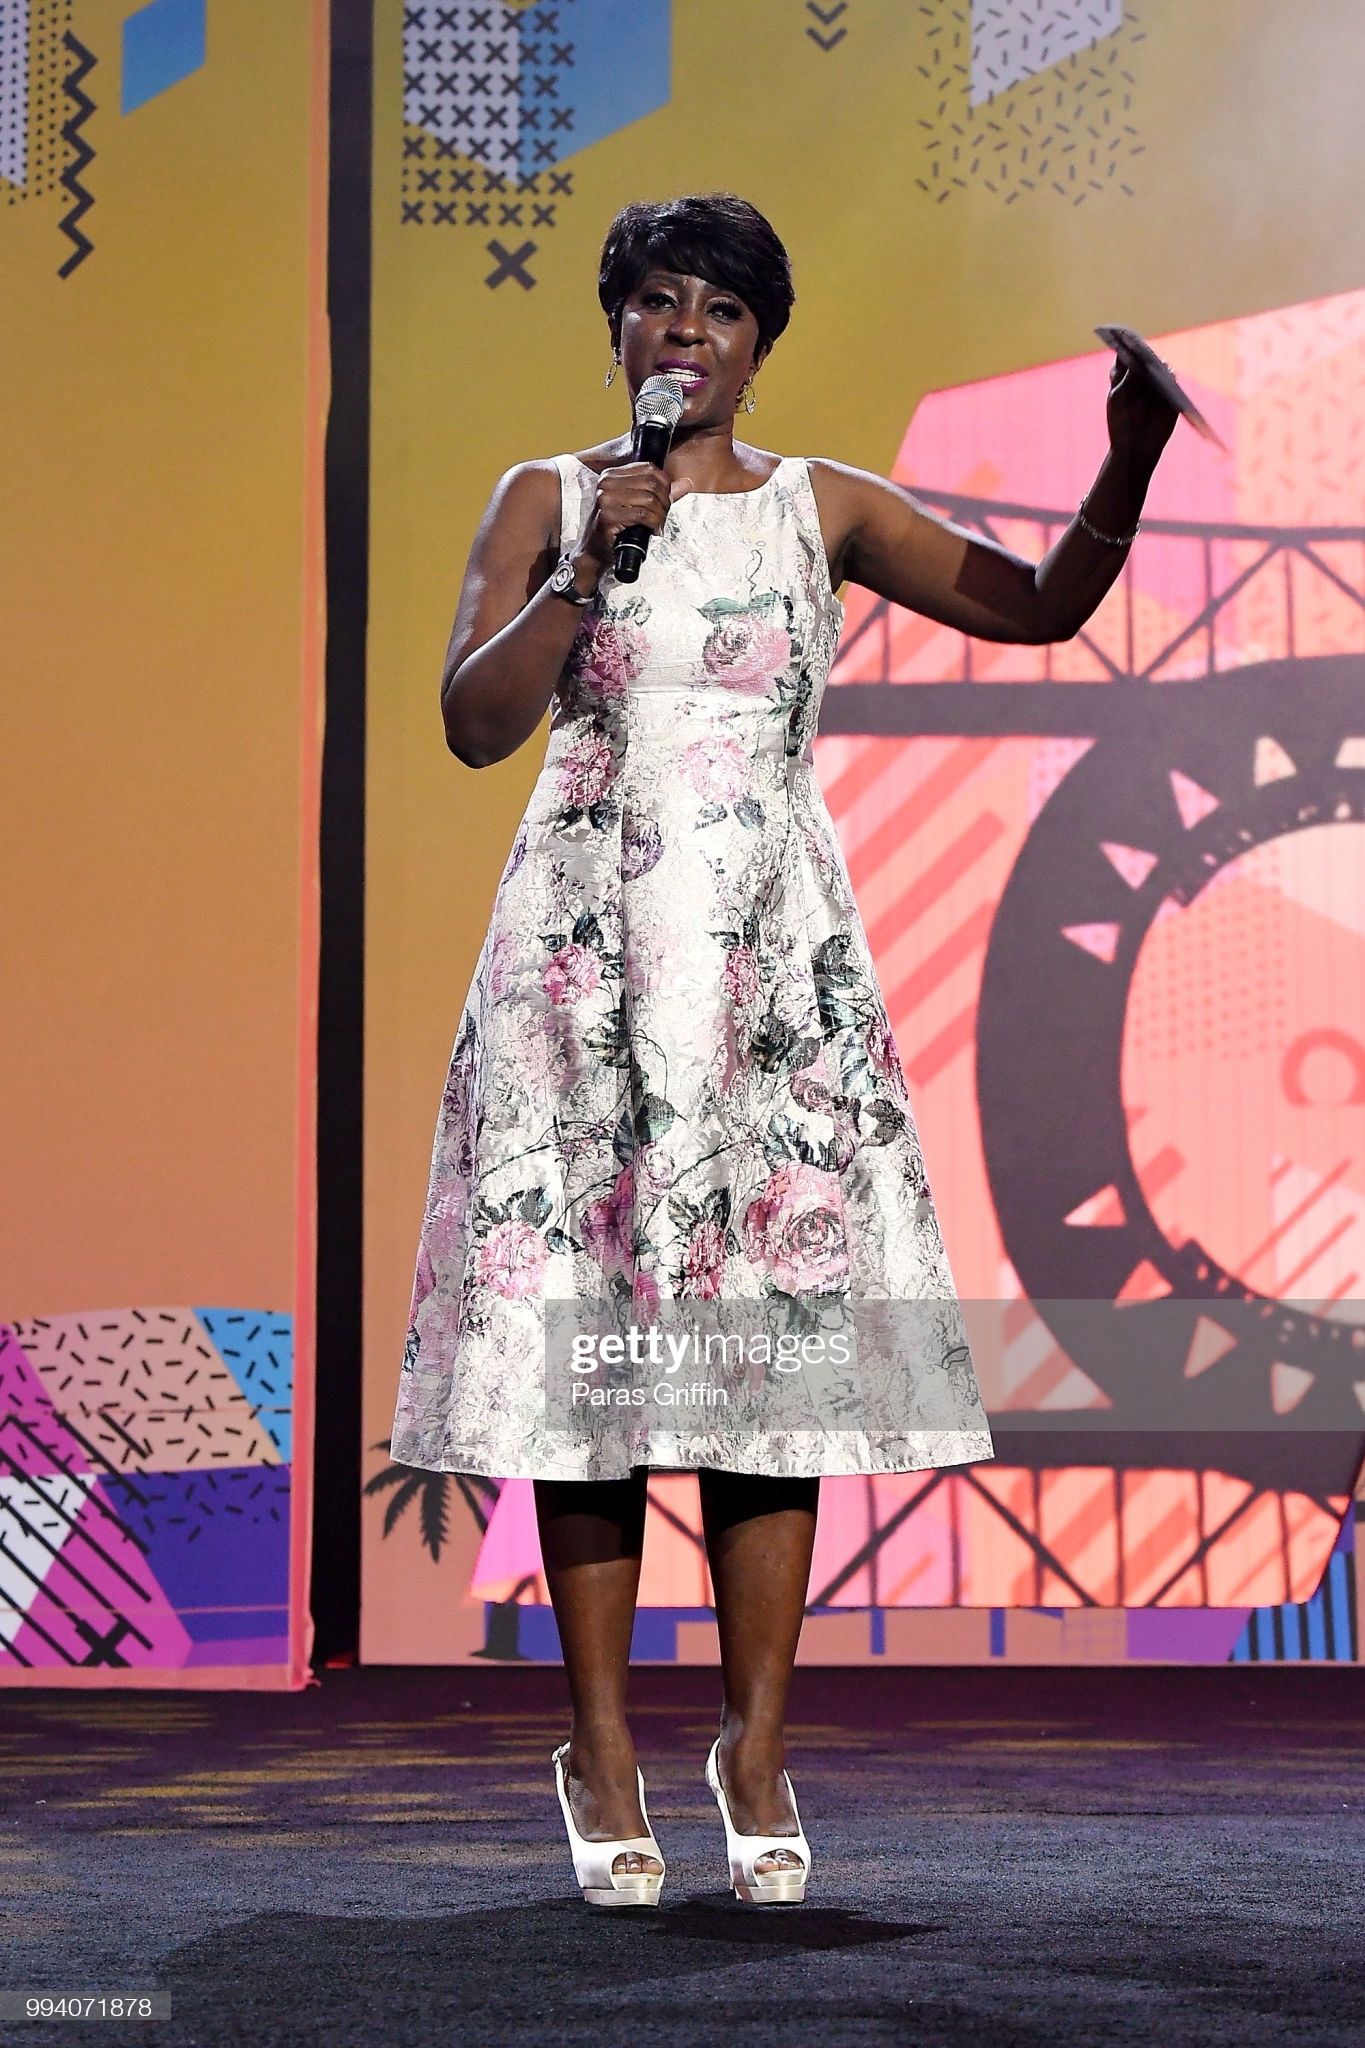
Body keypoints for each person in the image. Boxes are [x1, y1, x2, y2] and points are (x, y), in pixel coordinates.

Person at [391, 192, 1177, 1907]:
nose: (685, 331)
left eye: (721, 310)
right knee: (593, 1364)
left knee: (769, 1360)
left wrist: (1127, 460)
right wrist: (587, 569)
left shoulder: (824, 509)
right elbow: (471, 722)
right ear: (616, 326)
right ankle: (599, 1749)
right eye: (657, 301)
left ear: (759, 345)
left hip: (763, 972)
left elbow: (1040, 609)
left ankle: (751, 1745)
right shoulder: (548, 497)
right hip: (585, 965)